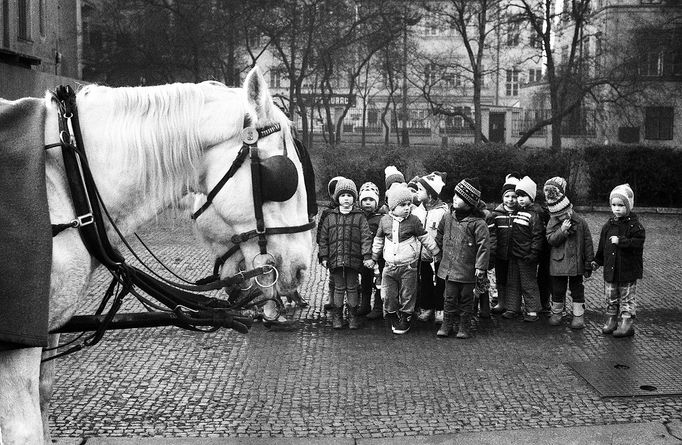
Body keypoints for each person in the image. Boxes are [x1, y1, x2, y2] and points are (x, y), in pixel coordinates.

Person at [371, 182, 440, 335]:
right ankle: (391, 313)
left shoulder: (414, 221)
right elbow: (378, 240)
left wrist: (435, 250)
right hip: (389, 267)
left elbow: (424, 237)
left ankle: (406, 317)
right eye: (403, 205)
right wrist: (374, 257)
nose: (407, 207)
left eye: (409, 204)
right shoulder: (385, 221)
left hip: (408, 267)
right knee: (388, 295)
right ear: (392, 207)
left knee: (408, 294)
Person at [435, 178, 490, 339]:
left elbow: (484, 246)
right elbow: (439, 234)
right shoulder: (447, 217)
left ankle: (464, 325)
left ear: (469, 202)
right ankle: (447, 324)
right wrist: (437, 252)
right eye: (455, 195)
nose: (454, 198)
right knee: (449, 297)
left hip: (468, 270)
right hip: (449, 269)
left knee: (467, 299)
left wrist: (480, 267)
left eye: (459, 197)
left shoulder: (478, 223)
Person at [319, 178, 374, 330]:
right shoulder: (330, 217)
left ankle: (353, 316)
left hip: (353, 260)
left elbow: (365, 237)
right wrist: (324, 256)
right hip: (336, 260)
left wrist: (367, 255)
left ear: (354, 198)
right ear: (337, 198)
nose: (346, 199)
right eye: (343, 195)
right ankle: (337, 316)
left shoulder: (360, 216)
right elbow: (323, 238)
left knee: (352, 287)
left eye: (349, 195)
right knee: (338, 287)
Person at [592, 184, 645, 338]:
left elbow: (638, 243)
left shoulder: (635, 226)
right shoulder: (608, 226)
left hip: (628, 270)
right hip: (611, 269)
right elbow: (602, 247)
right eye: (614, 205)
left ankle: (627, 324)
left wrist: (621, 241)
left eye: (621, 205)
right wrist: (597, 260)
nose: (617, 208)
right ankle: (611, 320)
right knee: (610, 296)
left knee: (627, 298)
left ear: (628, 206)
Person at [544, 177, 594, 329]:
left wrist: (588, 263)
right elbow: (551, 240)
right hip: (558, 264)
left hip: (576, 264)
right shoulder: (553, 222)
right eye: (560, 215)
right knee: (558, 290)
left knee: (577, 290)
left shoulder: (580, 222)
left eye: (566, 213)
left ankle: (578, 316)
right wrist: (562, 231)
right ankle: (557, 313)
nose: (564, 217)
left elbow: (588, 243)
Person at [505, 176, 543, 322]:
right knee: (513, 282)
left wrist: (533, 253)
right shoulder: (519, 211)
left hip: (527, 256)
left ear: (531, 197)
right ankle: (512, 308)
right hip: (515, 254)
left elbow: (537, 236)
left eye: (523, 196)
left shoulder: (535, 214)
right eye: (518, 195)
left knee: (528, 283)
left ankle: (533, 310)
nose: (520, 199)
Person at [413, 172, 449, 324]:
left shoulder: (443, 212)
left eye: (420, 190)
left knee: (440, 283)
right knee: (425, 281)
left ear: (431, 193)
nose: (417, 193)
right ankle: (427, 307)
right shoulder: (416, 211)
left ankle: (440, 309)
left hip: (438, 255)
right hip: (421, 255)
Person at [489, 174, 520, 315]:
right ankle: (501, 303)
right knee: (500, 279)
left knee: (513, 280)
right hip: (501, 254)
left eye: (514, 196)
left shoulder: (521, 213)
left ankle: (512, 306)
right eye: (507, 196)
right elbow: (493, 235)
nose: (511, 200)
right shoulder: (496, 214)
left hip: (515, 254)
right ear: (502, 197)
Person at [317, 176, 345, 313]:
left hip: (347, 251)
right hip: (333, 251)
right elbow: (321, 233)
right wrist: (324, 252)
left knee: (353, 279)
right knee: (333, 277)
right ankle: (332, 298)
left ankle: (353, 301)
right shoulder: (327, 213)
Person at [357, 181, 385, 317]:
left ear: (377, 201)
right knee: (365, 281)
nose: (368, 202)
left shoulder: (381, 219)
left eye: (371, 200)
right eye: (365, 199)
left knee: (379, 282)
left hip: (378, 258)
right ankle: (365, 304)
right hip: (364, 257)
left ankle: (378, 308)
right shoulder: (358, 217)